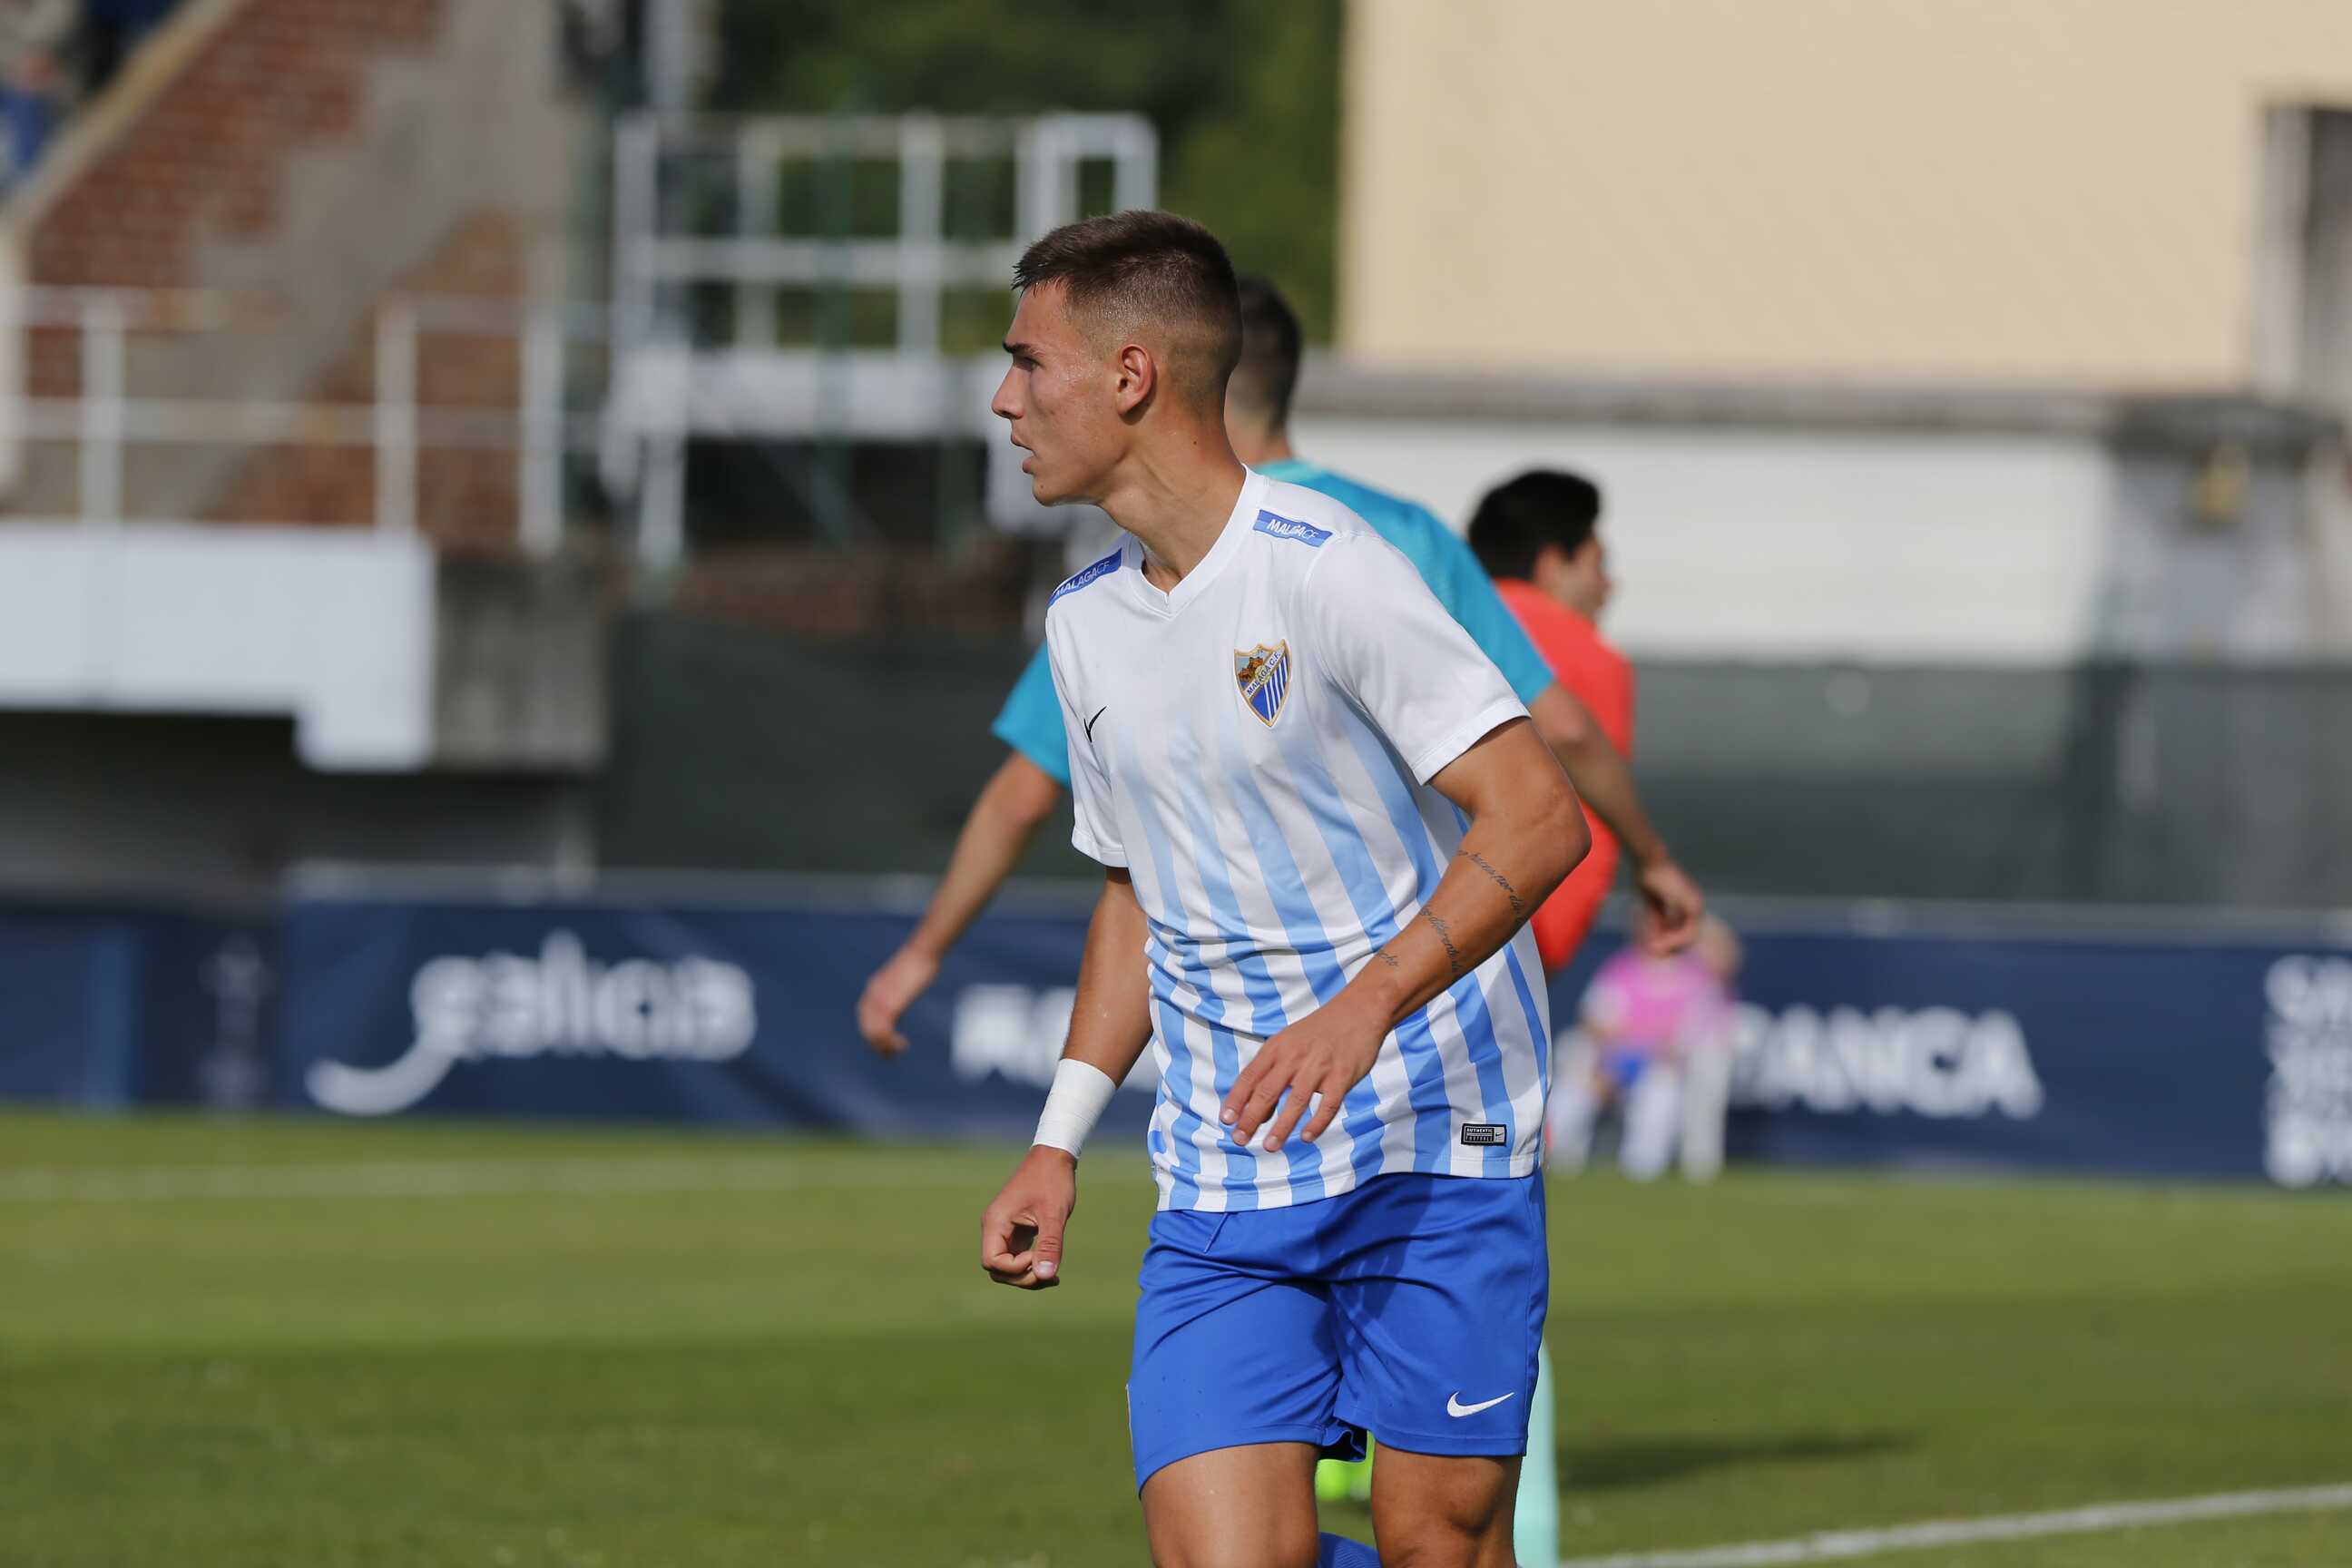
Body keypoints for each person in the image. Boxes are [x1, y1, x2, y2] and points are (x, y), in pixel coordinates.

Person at [975, 208, 1585, 1568]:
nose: (1006, 400)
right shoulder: (1081, 626)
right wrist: (1059, 1138)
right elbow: (1136, 895)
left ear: (1132, 375)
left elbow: (1542, 816)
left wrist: (1365, 1007)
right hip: (1226, 1170)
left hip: (1434, 1140)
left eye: (1027, 362)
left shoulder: (1330, 569)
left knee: (1438, 1546)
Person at [858, 278, 1702, 1057]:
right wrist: (1652, 857)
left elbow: (1023, 796)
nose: (1012, 402)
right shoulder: (1402, 531)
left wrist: (925, 951)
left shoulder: (1150, 574)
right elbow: (1560, 729)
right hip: (1441, 991)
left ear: (1157, 380)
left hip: (1281, 1017)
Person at [1467, 469, 1631, 973]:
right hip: (1511, 934)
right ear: (1552, 564)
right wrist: (1655, 858)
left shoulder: (1433, 615)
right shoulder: (1591, 656)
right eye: (1598, 565)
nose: (1609, 586)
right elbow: (1588, 814)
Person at [1549, 914, 1744, 1181]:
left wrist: (1646, 1051)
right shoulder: (1620, 968)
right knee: (1573, 1091)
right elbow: (1596, 1021)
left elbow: (1690, 1035)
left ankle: (1641, 1172)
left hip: (1663, 1067)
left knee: (1658, 1094)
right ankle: (1556, 1161)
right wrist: (1610, 1064)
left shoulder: (1696, 976)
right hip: (1614, 1061)